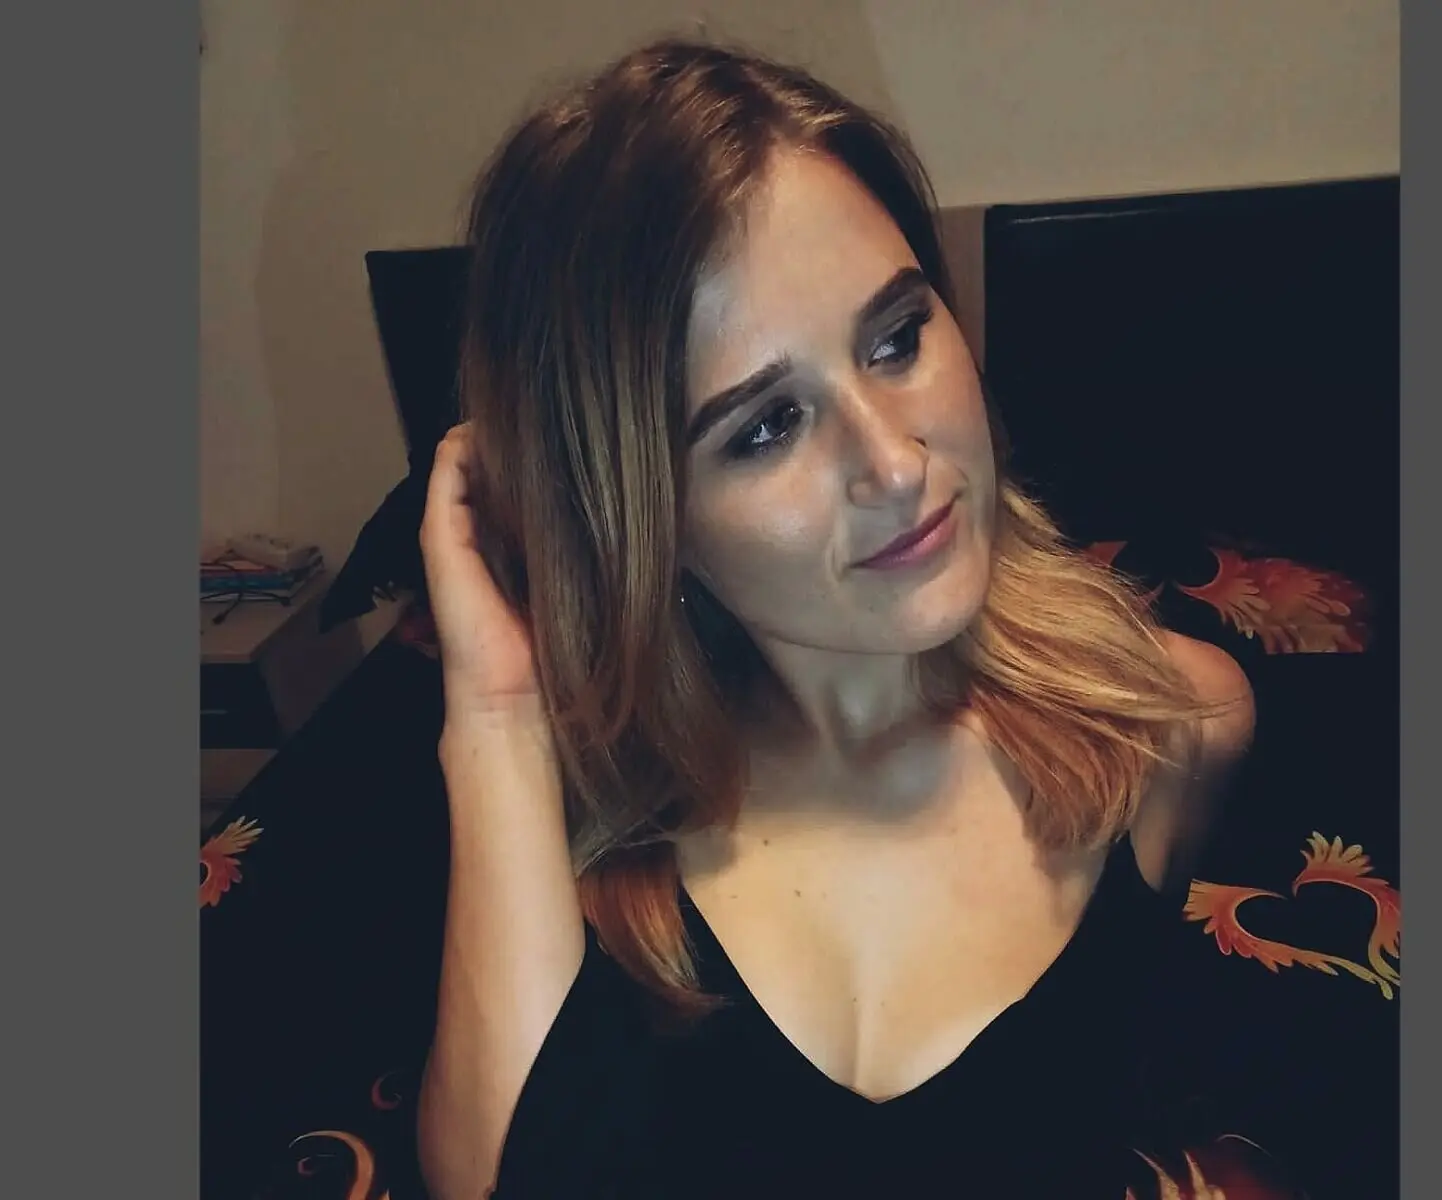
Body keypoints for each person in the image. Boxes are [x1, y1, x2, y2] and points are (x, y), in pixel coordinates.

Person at [415, 38, 1257, 1200]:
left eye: (897, 337)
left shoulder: (1171, 722)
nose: (897, 463)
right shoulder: (575, 813)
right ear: (643, 517)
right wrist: (496, 715)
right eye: (765, 426)